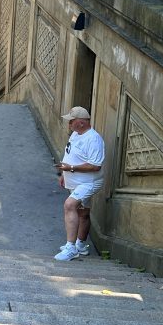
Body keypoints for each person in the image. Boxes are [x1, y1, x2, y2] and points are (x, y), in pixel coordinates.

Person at [54, 107, 105, 261]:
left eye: (71, 121)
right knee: (83, 212)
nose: (69, 124)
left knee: (70, 205)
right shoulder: (76, 134)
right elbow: (69, 153)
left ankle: (71, 248)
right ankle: (80, 245)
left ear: (81, 122)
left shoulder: (94, 139)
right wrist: (64, 174)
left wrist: (71, 168)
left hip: (89, 183)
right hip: (76, 182)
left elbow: (96, 165)